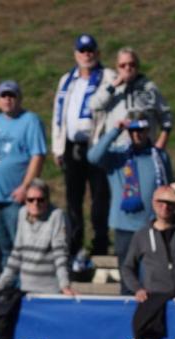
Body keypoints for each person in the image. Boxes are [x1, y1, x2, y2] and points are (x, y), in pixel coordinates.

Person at [88, 113, 173, 290]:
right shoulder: (117, 156)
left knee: (151, 279)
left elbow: (168, 188)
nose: (137, 134)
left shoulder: (159, 157)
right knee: (128, 281)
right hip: (125, 228)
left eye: (141, 130)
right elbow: (93, 157)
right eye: (133, 130)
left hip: (151, 226)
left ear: (148, 130)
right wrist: (115, 130)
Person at [51, 33, 115, 259]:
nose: (86, 55)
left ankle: (100, 243)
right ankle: (75, 243)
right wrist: (58, 147)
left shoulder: (107, 76)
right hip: (72, 145)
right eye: (82, 51)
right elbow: (58, 115)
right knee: (73, 198)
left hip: (97, 143)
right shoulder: (67, 79)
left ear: (97, 53)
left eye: (90, 51)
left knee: (99, 195)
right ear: (75, 54)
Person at [0, 81, 47, 265]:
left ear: (19, 98)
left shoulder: (31, 120)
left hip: (14, 196)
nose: (8, 99)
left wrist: (25, 187)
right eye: (3, 96)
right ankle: (7, 289)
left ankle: (22, 288)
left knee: (20, 247)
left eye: (12, 95)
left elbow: (38, 155)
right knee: (2, 248)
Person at [0, 180, 76, 295]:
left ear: (47, 200)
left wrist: (65, 285)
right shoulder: (22, 213)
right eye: (30, 200)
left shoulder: (57, 216)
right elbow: (16, 254)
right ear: (25, 201)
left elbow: (61, 254)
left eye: (40, 200)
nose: (35, 204)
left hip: (51, 290)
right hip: (26, 290)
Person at [89, 47, 173, 151]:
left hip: (145, 149)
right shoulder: (109, 87)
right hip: (118, 150)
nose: (127, 68)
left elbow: (166, 116)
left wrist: (161, 142)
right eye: (122, 65)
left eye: (131, 64)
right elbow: (94, 105)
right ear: (117, 67)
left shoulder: (149, 88)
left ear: (137, 66)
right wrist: (114, 86)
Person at [120, 186, 175, 300]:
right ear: (153, 203)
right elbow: (127, 267)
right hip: (154, 300)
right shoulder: (142, 235)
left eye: (170, 202)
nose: (165, 206)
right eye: (160, 202)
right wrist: (137, 289)